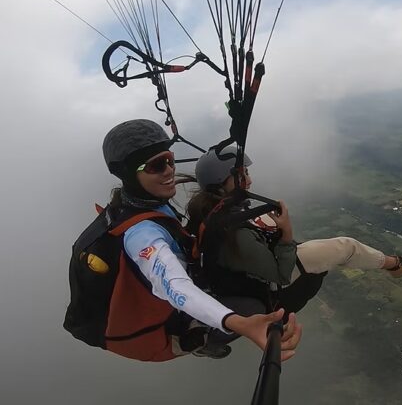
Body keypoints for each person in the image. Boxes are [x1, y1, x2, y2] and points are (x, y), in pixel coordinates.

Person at [86, 119, 301, 361]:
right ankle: (201, 341)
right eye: (156, 165)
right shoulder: (142, 235)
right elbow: (176, 286)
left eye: (169, 159)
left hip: (187, 279)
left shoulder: (140, 200)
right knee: (254, 307)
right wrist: (237, 323)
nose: (169, 170)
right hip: (161, 331)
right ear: (129, 175)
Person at [186, 146, 402, 315]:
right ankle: (397, 266)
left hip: (255, 272)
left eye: (247, 172)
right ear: (220, 184)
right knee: (346, 247)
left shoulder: (213, 213)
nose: (248, 180)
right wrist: (287, 232)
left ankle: (388, 264)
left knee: (311, 243)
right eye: (241, 176)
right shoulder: (234, 233)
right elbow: (281, 275)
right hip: (274, 290)